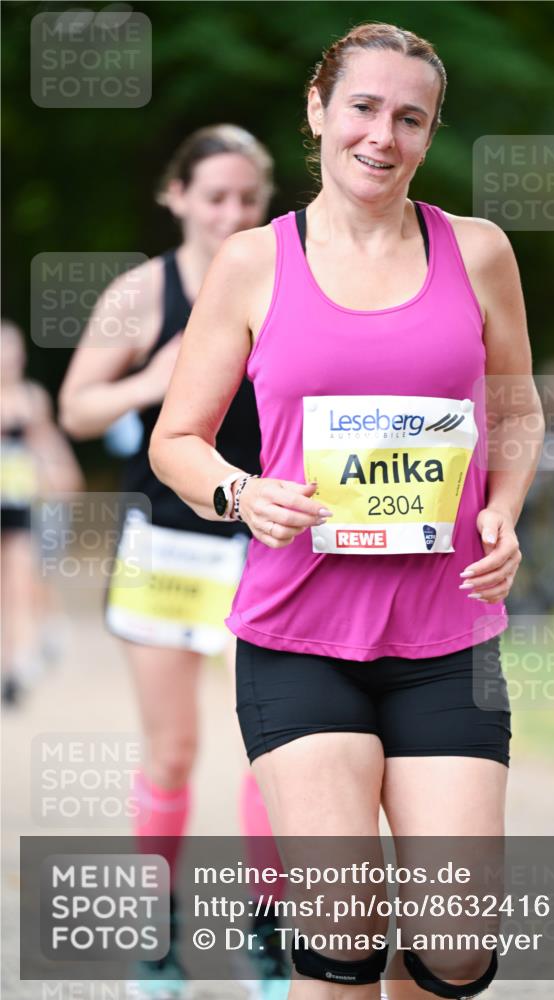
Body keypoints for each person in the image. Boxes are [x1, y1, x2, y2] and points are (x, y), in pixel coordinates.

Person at [150, 24, 544, 1000]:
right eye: (363, 107)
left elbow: (519, 408)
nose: (383, 134)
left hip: (446, 638)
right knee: (342, 931)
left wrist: (503, 508)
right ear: (319, 112)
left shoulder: (479, 251)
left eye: (409, 117)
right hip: (299, 633)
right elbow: (176, 440)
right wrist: (243, 492)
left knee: (454, 940)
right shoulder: (253, 261)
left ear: (429, 133)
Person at [58, 125, 287, 1000]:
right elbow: (77, 407)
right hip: (164, 545)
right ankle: (156, 939)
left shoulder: (282, 277)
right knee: (176, 748)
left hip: (261, 539)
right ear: (176, 196)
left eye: (248, 198)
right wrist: (152, 381)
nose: (232, 212)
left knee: (274, 748)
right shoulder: (141, 291)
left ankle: (266, 934)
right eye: (215, 196)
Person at [1, 320, 84, 705]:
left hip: (20, 503)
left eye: (12, 351)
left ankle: (17, 667)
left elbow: (48, 443)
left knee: (22, 582)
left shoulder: (31, 399)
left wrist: (64, 475)